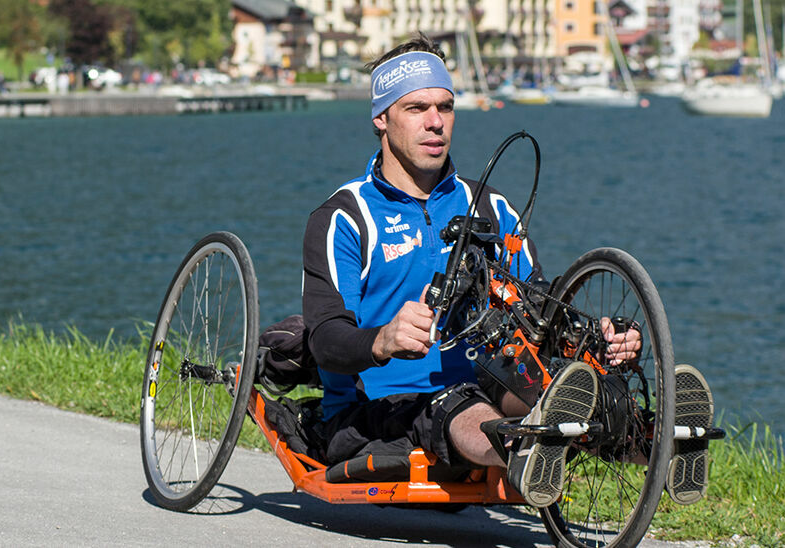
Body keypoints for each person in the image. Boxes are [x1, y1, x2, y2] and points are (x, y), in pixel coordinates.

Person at [300, 35, 709, 507]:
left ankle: (663, 445)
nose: (436, 122)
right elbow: (325, 339)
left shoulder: (491, 207)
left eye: (446, 107)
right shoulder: (343, 218)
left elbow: (538, 306)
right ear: (381, 118)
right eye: (416, 108)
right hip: (378, 403)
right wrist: (383, 339)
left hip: (489, 376)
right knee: (463, 406)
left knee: (564, 382)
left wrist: (595, 334)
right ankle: (523, 451)